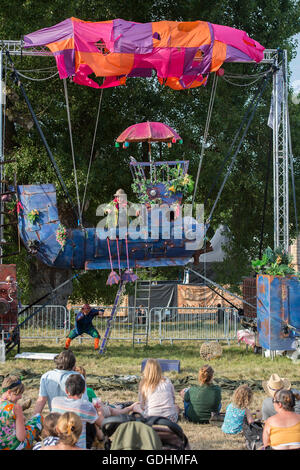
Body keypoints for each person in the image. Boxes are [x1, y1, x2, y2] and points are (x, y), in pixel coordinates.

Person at [51, 373, 103, 449]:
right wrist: (99, 410)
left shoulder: (55, 401)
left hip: (57, 445)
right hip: (79, 446)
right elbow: (102, 423)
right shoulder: (86, 406)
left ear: (66, 389)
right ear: (84, 390)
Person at [33, 349, 89, 415]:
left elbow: (42, 400)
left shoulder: (46, 376)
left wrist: (34, 417)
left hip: (56, 418)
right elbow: (84, 400)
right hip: (74, 418)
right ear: (73, 364)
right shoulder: (78, 377)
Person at [0, 375, 43, 450]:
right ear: (9, 392)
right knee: (38, 418)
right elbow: (21, 437)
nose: (20, 397)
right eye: (18, 393)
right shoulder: (15, 407)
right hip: (15, 447)